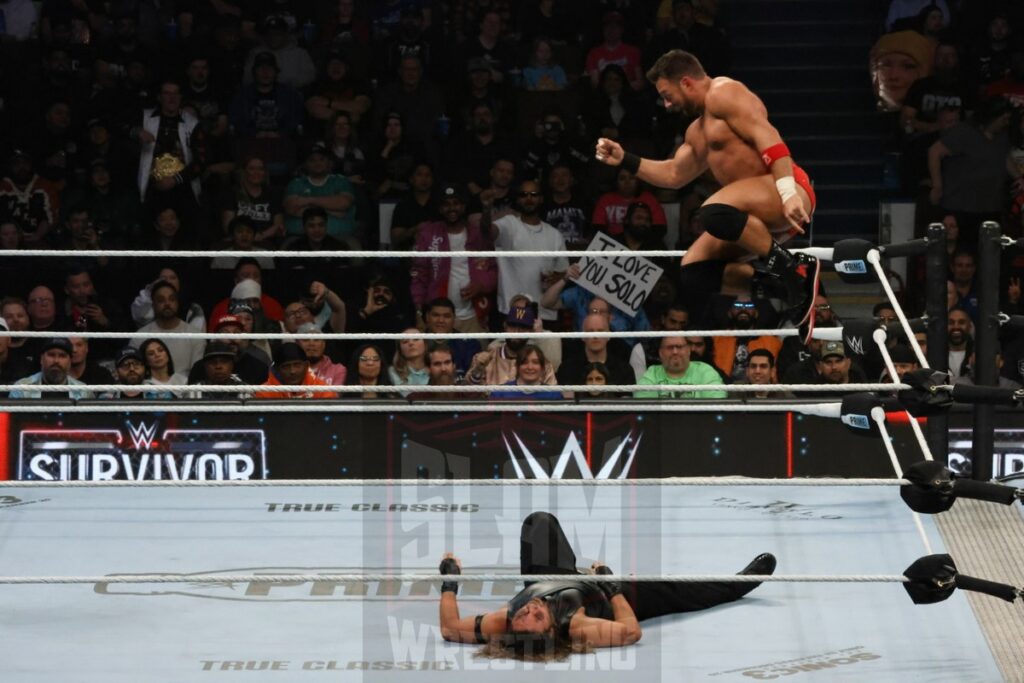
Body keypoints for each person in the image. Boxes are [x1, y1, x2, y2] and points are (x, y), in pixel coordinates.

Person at [594, 50, 818, 336]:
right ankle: (787, 282)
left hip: (784, 190)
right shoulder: (697, 131)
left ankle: (794, 272)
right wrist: (625, 158)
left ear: (686, 82)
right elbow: (674, 175)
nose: (666, 104)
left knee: (712, 212)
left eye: (667, 94)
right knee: (694, 271)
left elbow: (768, 137)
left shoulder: (724, 92)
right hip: (749, 218)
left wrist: (788, 193)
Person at [438, 511, 775, 657]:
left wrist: (450, 582)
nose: (531, 607)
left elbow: (452, 628)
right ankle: (741, 583)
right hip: (608, 596)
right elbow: (631, 632)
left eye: (525, 612)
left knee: (538, 523)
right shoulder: (578, 626)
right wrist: (610, 586)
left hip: (554, 578)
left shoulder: (507, 621)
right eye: (537, 616)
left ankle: (567, 571)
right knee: (681, 592)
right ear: (552, 630)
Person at [634, 336, 726, 399]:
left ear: (688, 351)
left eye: (679, 347)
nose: (675, 352)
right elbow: (645, 411)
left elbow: (715, 408)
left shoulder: (705, 371)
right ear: (660, 353)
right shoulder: (652, 373)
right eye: (669, 347)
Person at [10, 338, 94, 400]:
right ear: (41, 359)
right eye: (51, 355)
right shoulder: (22, 388)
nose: (56, 361)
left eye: (62, 356)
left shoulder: (83, 391)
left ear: (70, 361)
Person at [255, 343, 337, 399]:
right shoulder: (264, 392)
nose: (292, 371)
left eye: (297, 365)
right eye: (286, 367)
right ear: (277, 369)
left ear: (306, 365)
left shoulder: (323, 390)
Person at [489, 345, 565, 400]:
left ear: (542, 368)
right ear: (517, 366)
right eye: (524, 362)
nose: (530, 367)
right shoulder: (499, 393)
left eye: (535, 362)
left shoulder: (553, 394)